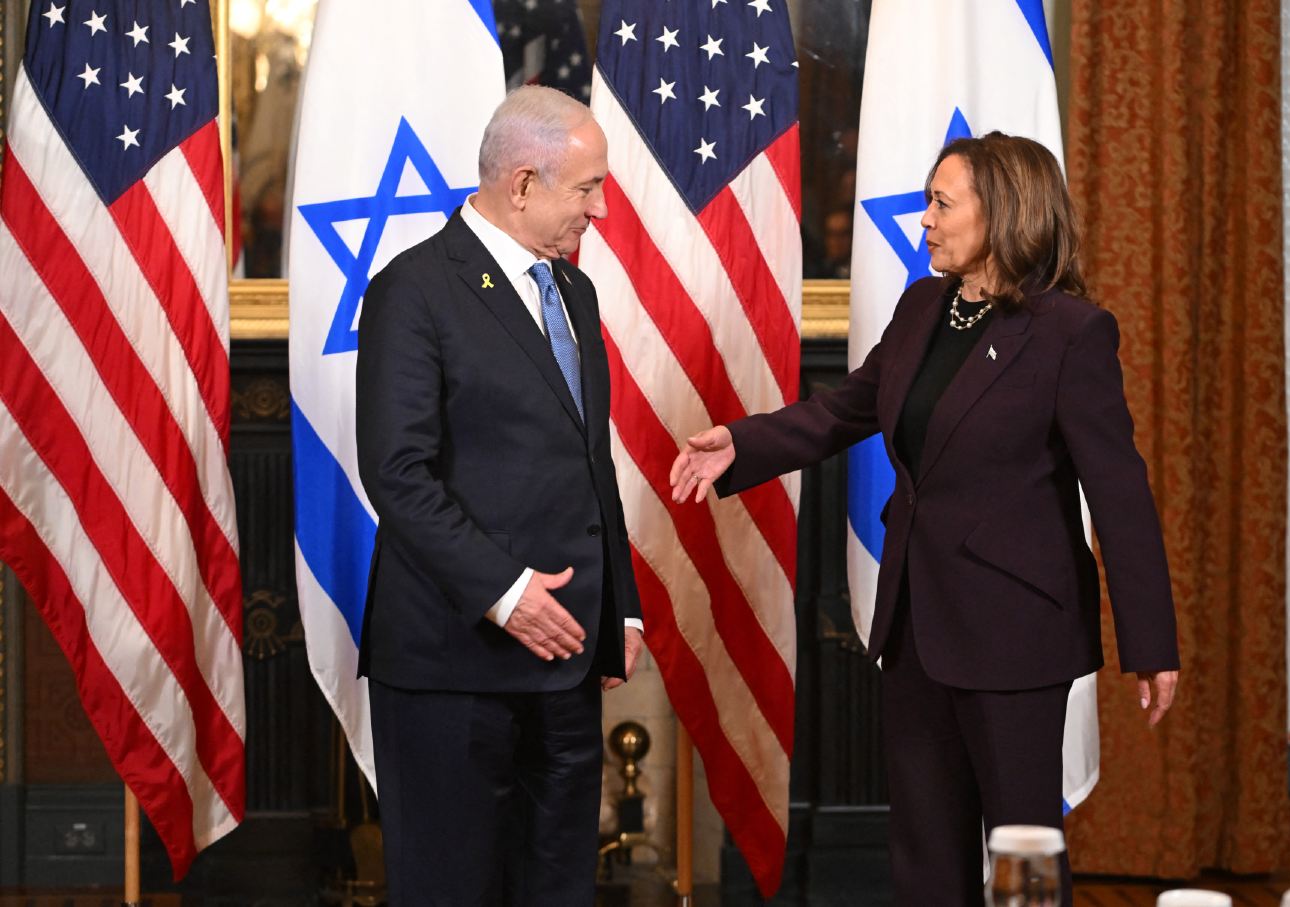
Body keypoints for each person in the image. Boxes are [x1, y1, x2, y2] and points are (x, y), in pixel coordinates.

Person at [670, 132, 1180, 906]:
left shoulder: (1072, 333)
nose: (925, 221)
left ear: (1003, 212)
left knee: (1022, 857)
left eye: (942, 203)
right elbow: (847, 409)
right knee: (925, 860)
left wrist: (1151, 642)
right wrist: (739, 444)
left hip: (1016, 637)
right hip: (916, 628)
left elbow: (1120, 494)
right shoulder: (923, 306)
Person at [355, 85, 643, 906]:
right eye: (587, 188)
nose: (602, 209)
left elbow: (591, 462)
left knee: (557, 889)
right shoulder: (412, 290)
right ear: (522, 184)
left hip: (567, 660)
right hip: (453, 664)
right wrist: (507, 595)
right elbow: (398, 475)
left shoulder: (574, 292)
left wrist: (621, 608)